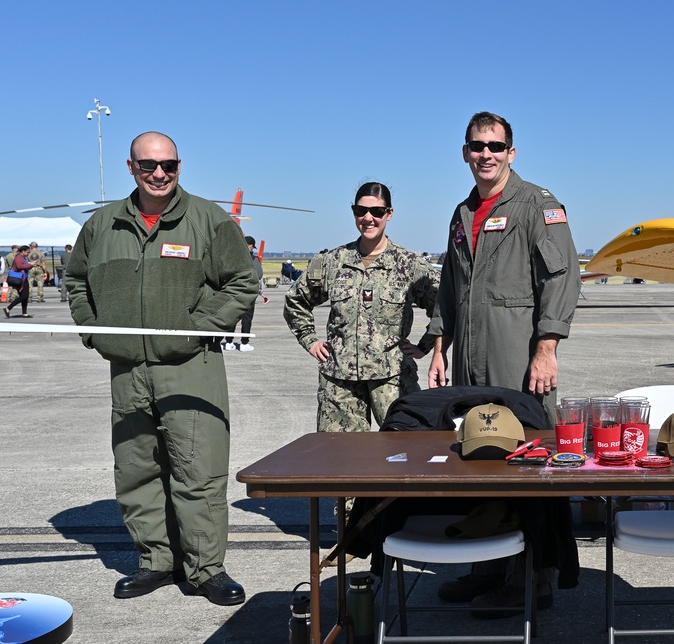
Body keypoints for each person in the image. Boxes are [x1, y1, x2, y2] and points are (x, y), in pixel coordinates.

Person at [65, 131, 257, 606]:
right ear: (131, 167)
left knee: (198, 471)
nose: (159, 174)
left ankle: (206, 568)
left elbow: (242, 282)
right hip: (128, 369)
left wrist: (195, 330)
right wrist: (96, 331)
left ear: (179, 167)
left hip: (190, 367)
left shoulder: (208, 220)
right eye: (149, 165)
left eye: (169, 165)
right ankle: (155, 562)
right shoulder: (102, 225)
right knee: (136, 469)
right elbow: (75, 282)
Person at [427, 111, 581, 614]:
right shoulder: (461, 212)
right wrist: (438, 346)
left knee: (527, 461)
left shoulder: (537, 205)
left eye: (495, 146)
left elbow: (562, 279)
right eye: (477, 146)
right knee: (478, 454)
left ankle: (531, 579)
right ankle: (487, 566)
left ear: (511, 153)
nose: (485, 155)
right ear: (465, 152)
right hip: (471, 358)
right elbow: (451, 285)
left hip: (519, 355)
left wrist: (546, 348)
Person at [284, 181, 439, 432]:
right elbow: (295, 300)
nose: (368, 218)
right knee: (341, 460)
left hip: (393, 379)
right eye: (360, 211)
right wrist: (309, 340)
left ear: (389, 213)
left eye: (377, 212)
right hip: (339, 384)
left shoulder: (409, 265)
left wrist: (424, 346)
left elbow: (444, 305)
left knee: (406, 452)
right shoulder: (332, 262)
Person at [224, 236, 263, 352]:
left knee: (232, 316)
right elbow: (259, 274)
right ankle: (244, 343)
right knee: (247, 318)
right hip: (248, 292)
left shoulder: (232, 256)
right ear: (250, 246)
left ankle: (228, 342)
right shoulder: (252, 258)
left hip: (234, 291)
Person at [4, 245, 34, 318]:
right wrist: (30, 265)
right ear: (23, 251)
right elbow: (19, 266)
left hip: (23, 278)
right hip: (21, 279)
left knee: (24, 297)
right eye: (27, 252)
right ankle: (8, 308)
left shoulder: (22, 257)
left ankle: (24, 313)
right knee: (24, 296)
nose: (28, 254)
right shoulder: (19, 257)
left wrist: (30, 264)